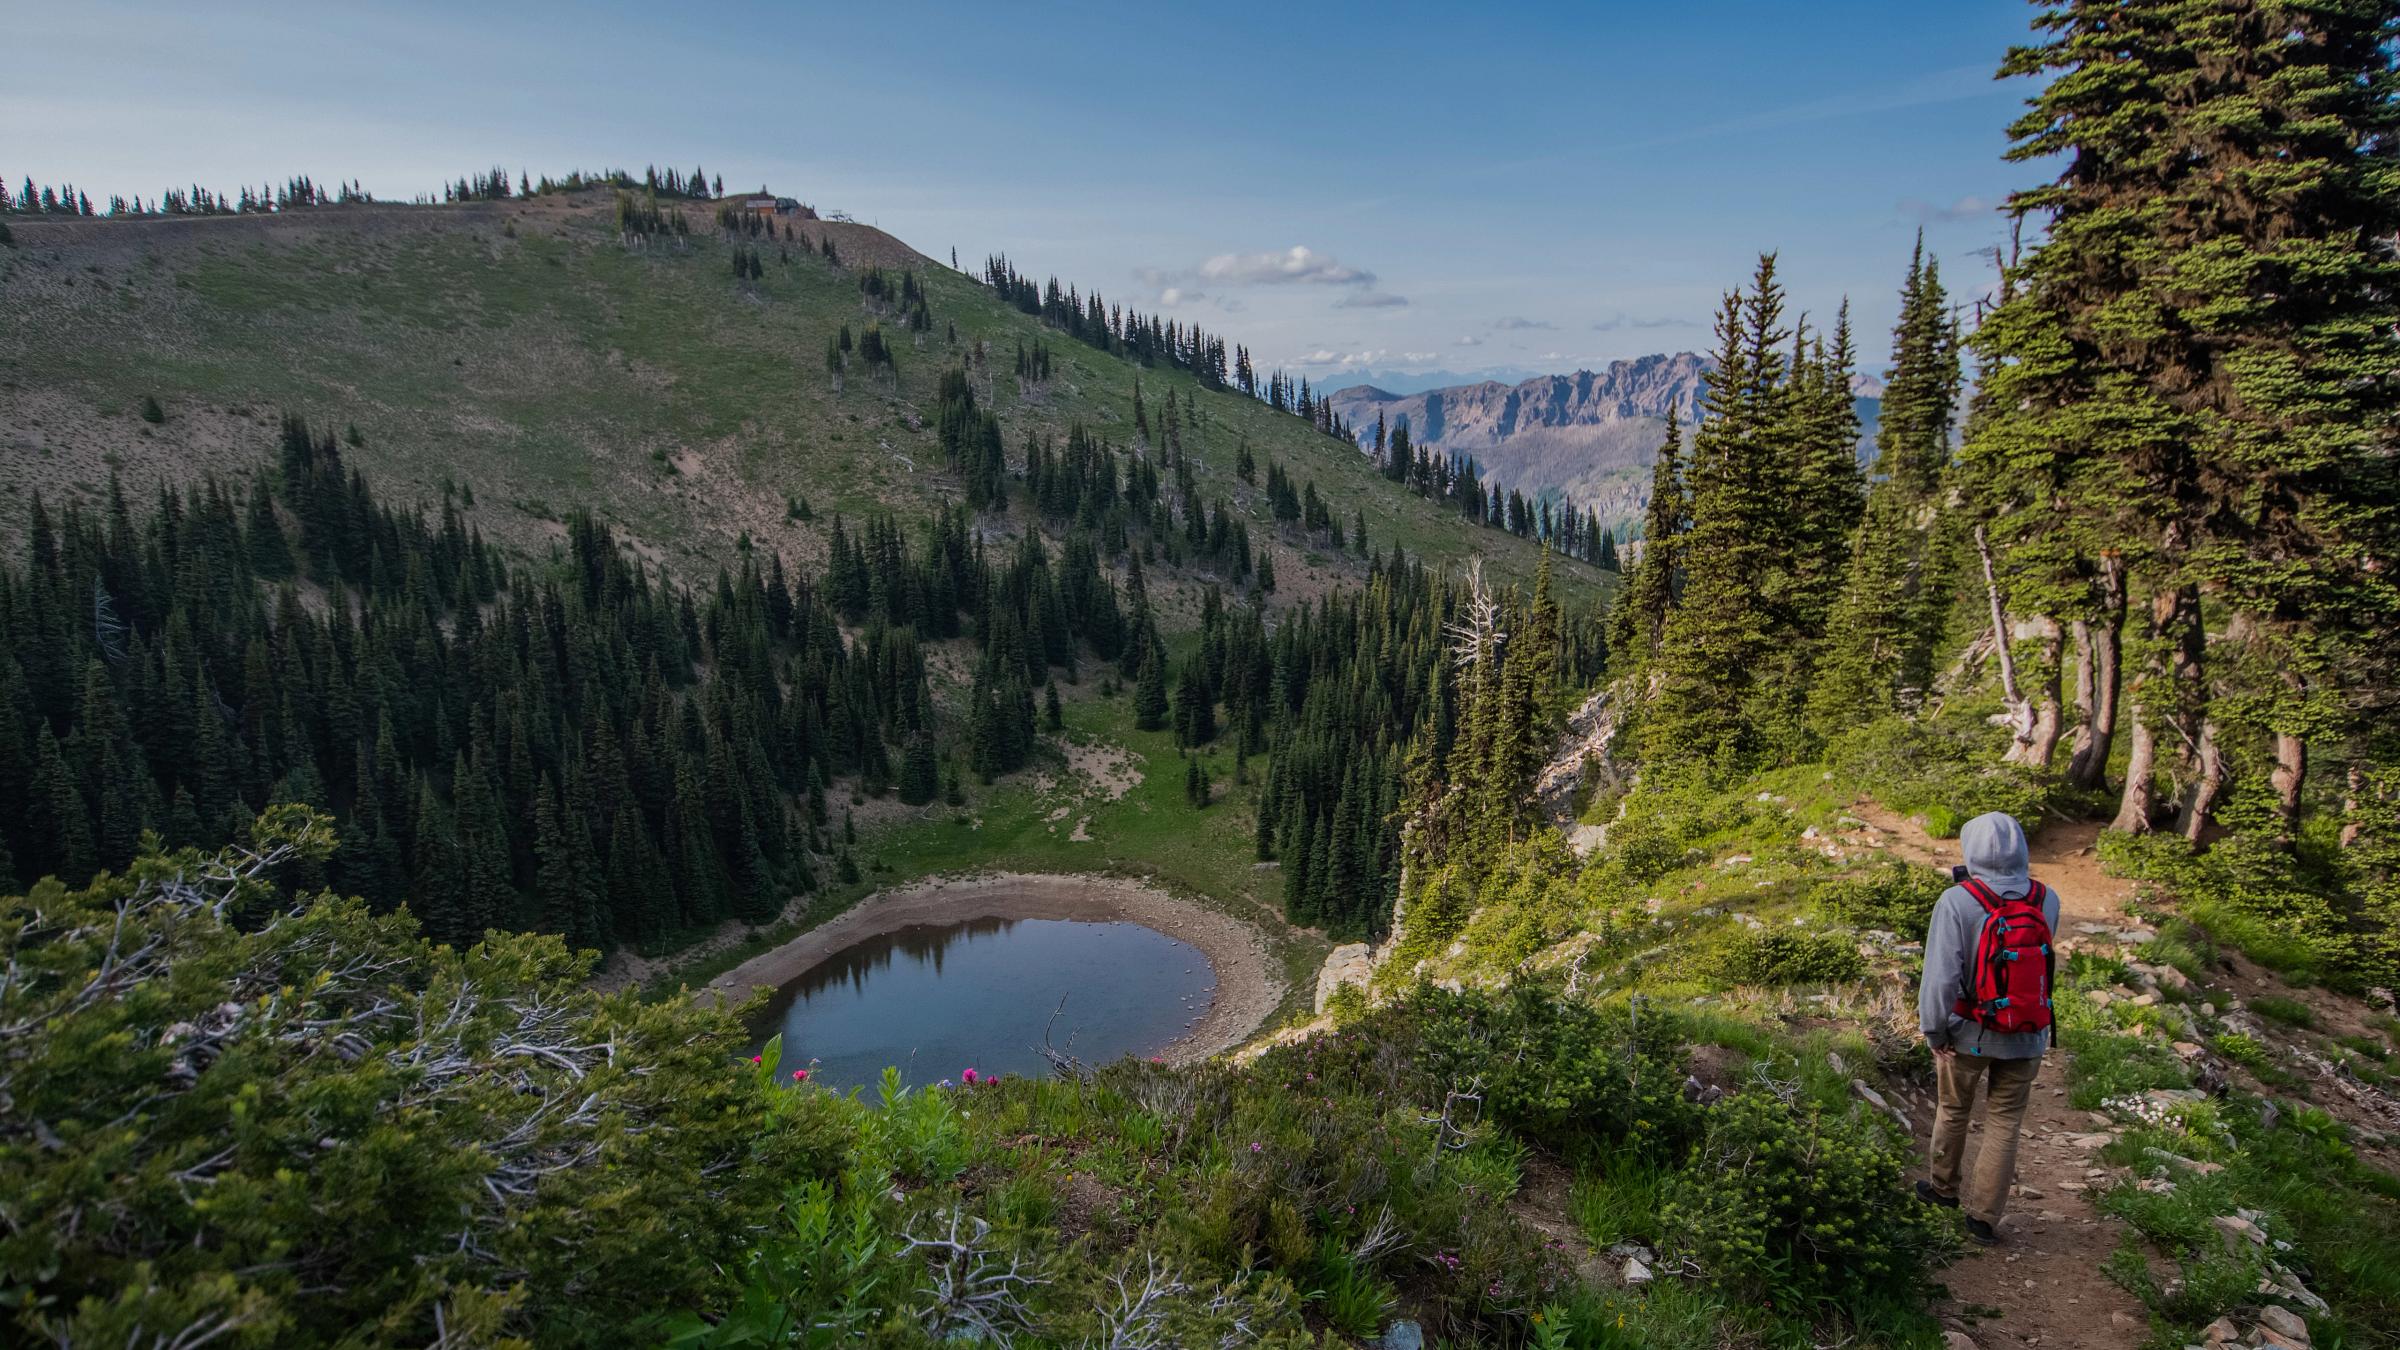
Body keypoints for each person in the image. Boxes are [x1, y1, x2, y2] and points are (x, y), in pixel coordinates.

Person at [1916, 811, 2059, 1245]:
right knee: (2005, 1121)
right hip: (2028, 1032)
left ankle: (1943, 1190)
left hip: (1968, 1032)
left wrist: (1934, 1031)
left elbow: (1941, 976)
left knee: (1955, 1109)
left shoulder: (1957, 900)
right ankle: (1983, 1218)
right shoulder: (2046, 898)